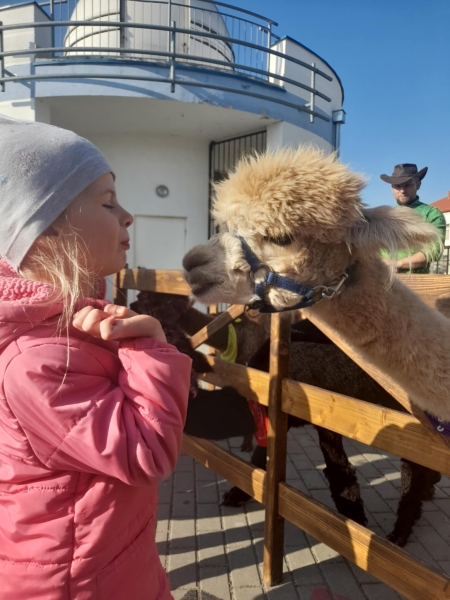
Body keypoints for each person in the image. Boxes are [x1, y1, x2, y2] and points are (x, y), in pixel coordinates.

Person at [0, 115, 192, 599]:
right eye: (108, 202)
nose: (127, 215)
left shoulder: (61, 328)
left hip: (105, 557)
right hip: (75, 580)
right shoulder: (39, 358)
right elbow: (146, 453)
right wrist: (149, 346)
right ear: (43, 233)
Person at [380, 163, 446, 273]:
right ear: (392, 188)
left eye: (408, 185)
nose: (402, 190)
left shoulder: (432, 214)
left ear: (418, 185)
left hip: (416, 282)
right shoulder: (385, 216)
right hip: (381, 281)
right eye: (398, 186)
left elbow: (434, 251)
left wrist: (397, 264)